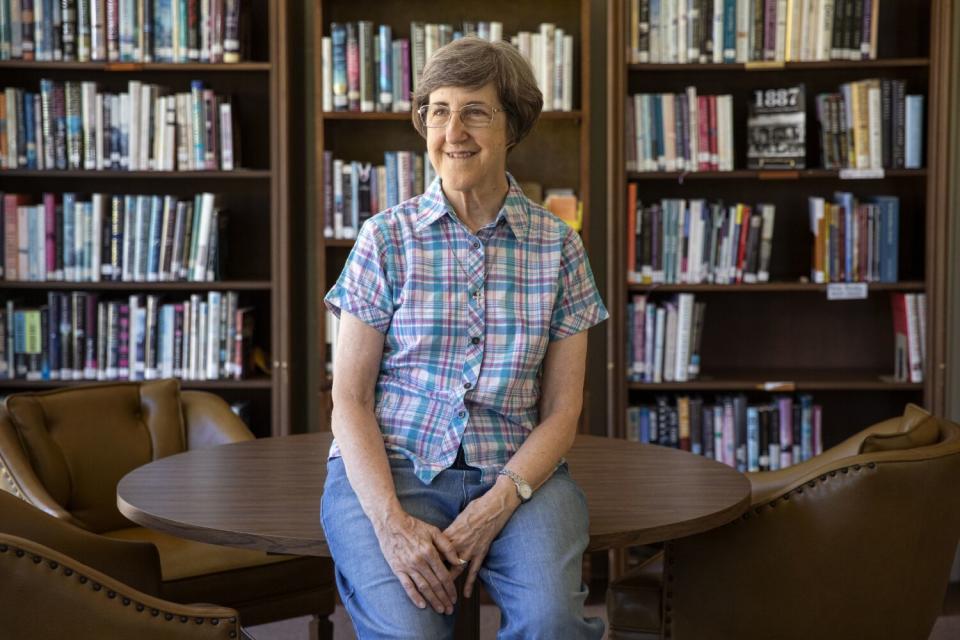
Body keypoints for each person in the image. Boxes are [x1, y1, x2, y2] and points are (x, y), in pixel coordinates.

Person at [322, 36, 608, 639]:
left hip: (518, 474)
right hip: (394, 468)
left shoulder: (559, 247)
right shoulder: (385, 239)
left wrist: (501, 500)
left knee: (552, 622)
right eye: (438, 111)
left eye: (475, 110)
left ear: (513, 126)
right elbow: (348, 399)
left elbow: (562, 409)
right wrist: (390, 523)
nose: (454, 130)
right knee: (411, 634)